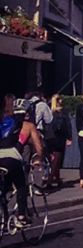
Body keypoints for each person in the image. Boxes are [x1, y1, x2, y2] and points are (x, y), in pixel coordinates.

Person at [0, 95, 44, 225]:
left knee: (6, 186)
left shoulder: (3, 120)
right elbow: (38, 147)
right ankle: (21, 216)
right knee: (21, 185)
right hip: (12, 156)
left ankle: (4, 208)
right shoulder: (28, 125)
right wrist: (39, 158)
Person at [43, 95, 71, 188]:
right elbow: (67, 125)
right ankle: (49, 181)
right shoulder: (62, 112)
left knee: (55, 159)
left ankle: (58, 180)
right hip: (58, 137)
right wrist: (69, 137)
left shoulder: (49, 111)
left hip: (48, 137)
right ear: (59, 101)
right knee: (57, 159)